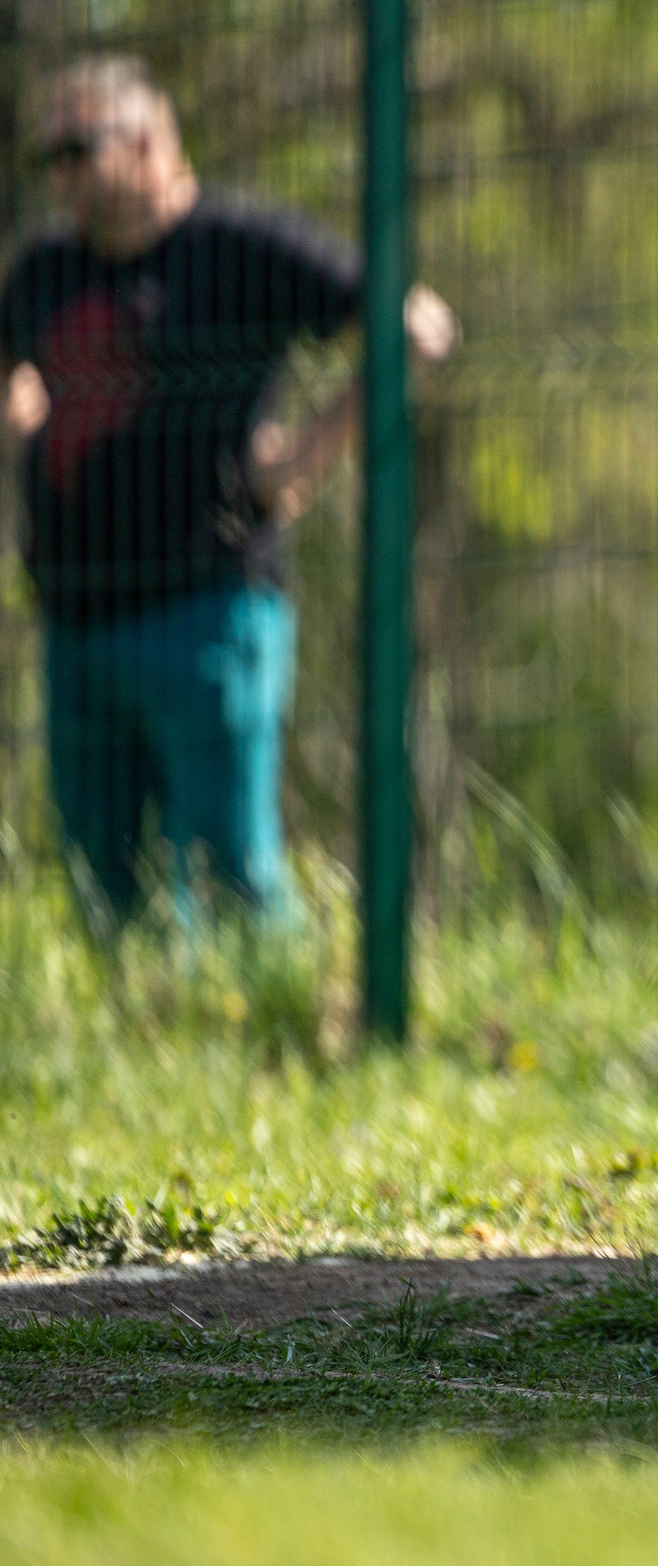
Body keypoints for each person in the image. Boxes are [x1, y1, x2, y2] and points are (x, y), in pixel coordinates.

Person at [0, 55, 455, 932]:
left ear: (142, 143)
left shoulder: (240, 247)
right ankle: (142, 1048)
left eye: (74, 151)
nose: (57, 177)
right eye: (45, 159)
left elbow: (417, 330)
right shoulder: (42, 271)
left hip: (208, 614)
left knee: (232, 877)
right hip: (75, 622)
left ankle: (278, 1041)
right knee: (102, 889)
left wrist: (308, 457)